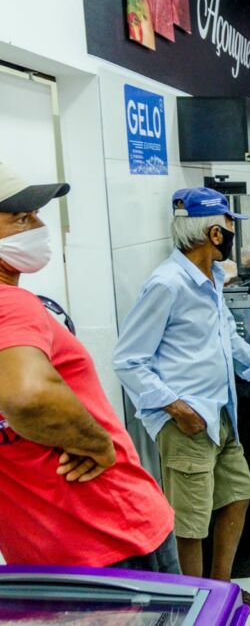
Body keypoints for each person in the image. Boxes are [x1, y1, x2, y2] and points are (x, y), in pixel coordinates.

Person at [113, 188, 250, 614]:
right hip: (186, 421)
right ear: (215, 233)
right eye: (230, 230)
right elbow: (128, 360)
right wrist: (174, 407)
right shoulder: (168, 284)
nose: (235, 239)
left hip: (219, 412)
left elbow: (230, 342)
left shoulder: (210, 280)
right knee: (191, 521)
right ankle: (195, 607)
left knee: (238, 494)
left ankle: (220, 592)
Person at [0, 163, 178, 572]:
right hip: (110, 529)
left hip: (40, 546)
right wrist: (97, 444)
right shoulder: (12, 304)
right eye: (21, 218)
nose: (39, 227)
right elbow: (28, 395)